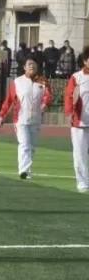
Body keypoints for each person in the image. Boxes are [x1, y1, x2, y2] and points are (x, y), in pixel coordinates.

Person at [0, 58, 52, 179]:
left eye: (34, 64)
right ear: (24, 67)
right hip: (20, 119)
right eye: (29, 64)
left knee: (32, 147)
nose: (31, 66)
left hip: (36, 119)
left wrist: (44, 104)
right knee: (24, 144)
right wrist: (2, 115)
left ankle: (27, 169)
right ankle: (23, 171)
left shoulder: (43, 81)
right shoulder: (17, 82)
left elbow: (48, 96)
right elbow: (9, 100)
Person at [64, 47, 89, 192]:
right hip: (79, 122)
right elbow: (69, 97)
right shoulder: (77, 77)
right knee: (80, 153)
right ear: (85, 61)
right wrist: (69, 113)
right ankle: (82, 182)